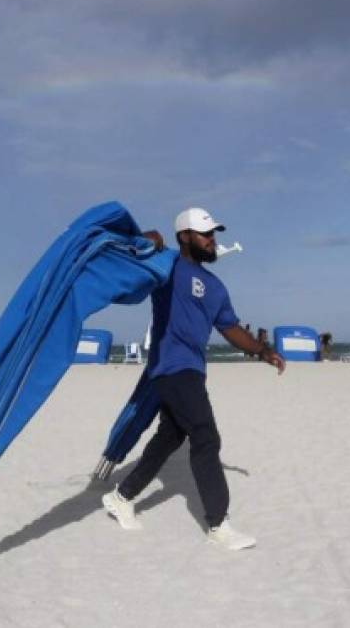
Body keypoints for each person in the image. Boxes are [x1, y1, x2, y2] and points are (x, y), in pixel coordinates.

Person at [102, 207, 286, 550]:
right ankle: (219, 524)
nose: (212, 240)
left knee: (169, 438)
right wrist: (149, 239)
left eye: (213, 234)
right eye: (205, 233)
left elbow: (230, 328)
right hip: (171, 368)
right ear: (185, 236)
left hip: (192, 370)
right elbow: (142, 250)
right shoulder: (168, 265)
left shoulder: (216, 287)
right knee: (205, 436)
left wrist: (262, 351)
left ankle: (121, 496)